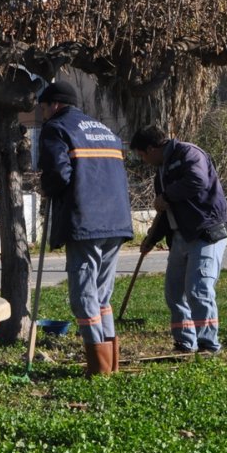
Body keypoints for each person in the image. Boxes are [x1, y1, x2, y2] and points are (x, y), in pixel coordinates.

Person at [37, 81, 133, 377]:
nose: (42, 114)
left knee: (83, 296)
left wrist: (48, 189)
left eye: (43, 108)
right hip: (116, 221)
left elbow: (57, 173)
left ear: (54, 104)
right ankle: (109, 361)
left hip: (86, 219)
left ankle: (97, 365)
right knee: (102, 296)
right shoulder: (106, 131)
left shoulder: (57, 128)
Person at [130, 126, 227, 354]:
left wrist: (166, 196)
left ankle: (208, 345)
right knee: (174, 292)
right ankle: (185, 343)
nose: (144, 161)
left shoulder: (189, 154)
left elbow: (197, 181)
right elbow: (165, 211)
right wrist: (151, 240)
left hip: (206, 232)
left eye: (143, 155)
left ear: (152, 148)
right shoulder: (161, 172)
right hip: (180, 236)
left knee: (198, 289)